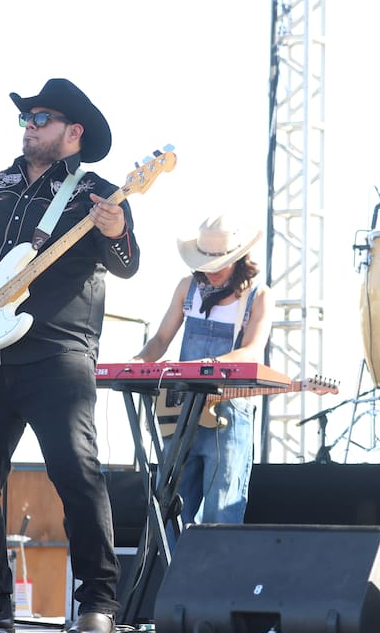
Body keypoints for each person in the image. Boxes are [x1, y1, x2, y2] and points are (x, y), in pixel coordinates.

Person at [0, 78, 137, 633]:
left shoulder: (99, 192)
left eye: (42, 117)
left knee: (75, 474)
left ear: (74, 132)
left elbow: (125, 263)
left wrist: (116, 229)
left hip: (56, 354)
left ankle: (98, 603)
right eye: (26, 116)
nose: (30, 123)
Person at [132, 214, 274, 526]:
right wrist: (138, 363)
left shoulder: (258, 295)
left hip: (228, 413)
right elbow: (159, 340)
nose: (211, 272)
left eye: (219, 263)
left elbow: (251, 352)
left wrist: (205, 367)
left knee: (220, 514)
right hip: (182, 412)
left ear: (237, 258)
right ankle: (170, 575)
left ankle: (216, 576)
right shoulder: (187, 288)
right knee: (168, 512)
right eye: (205, 263)